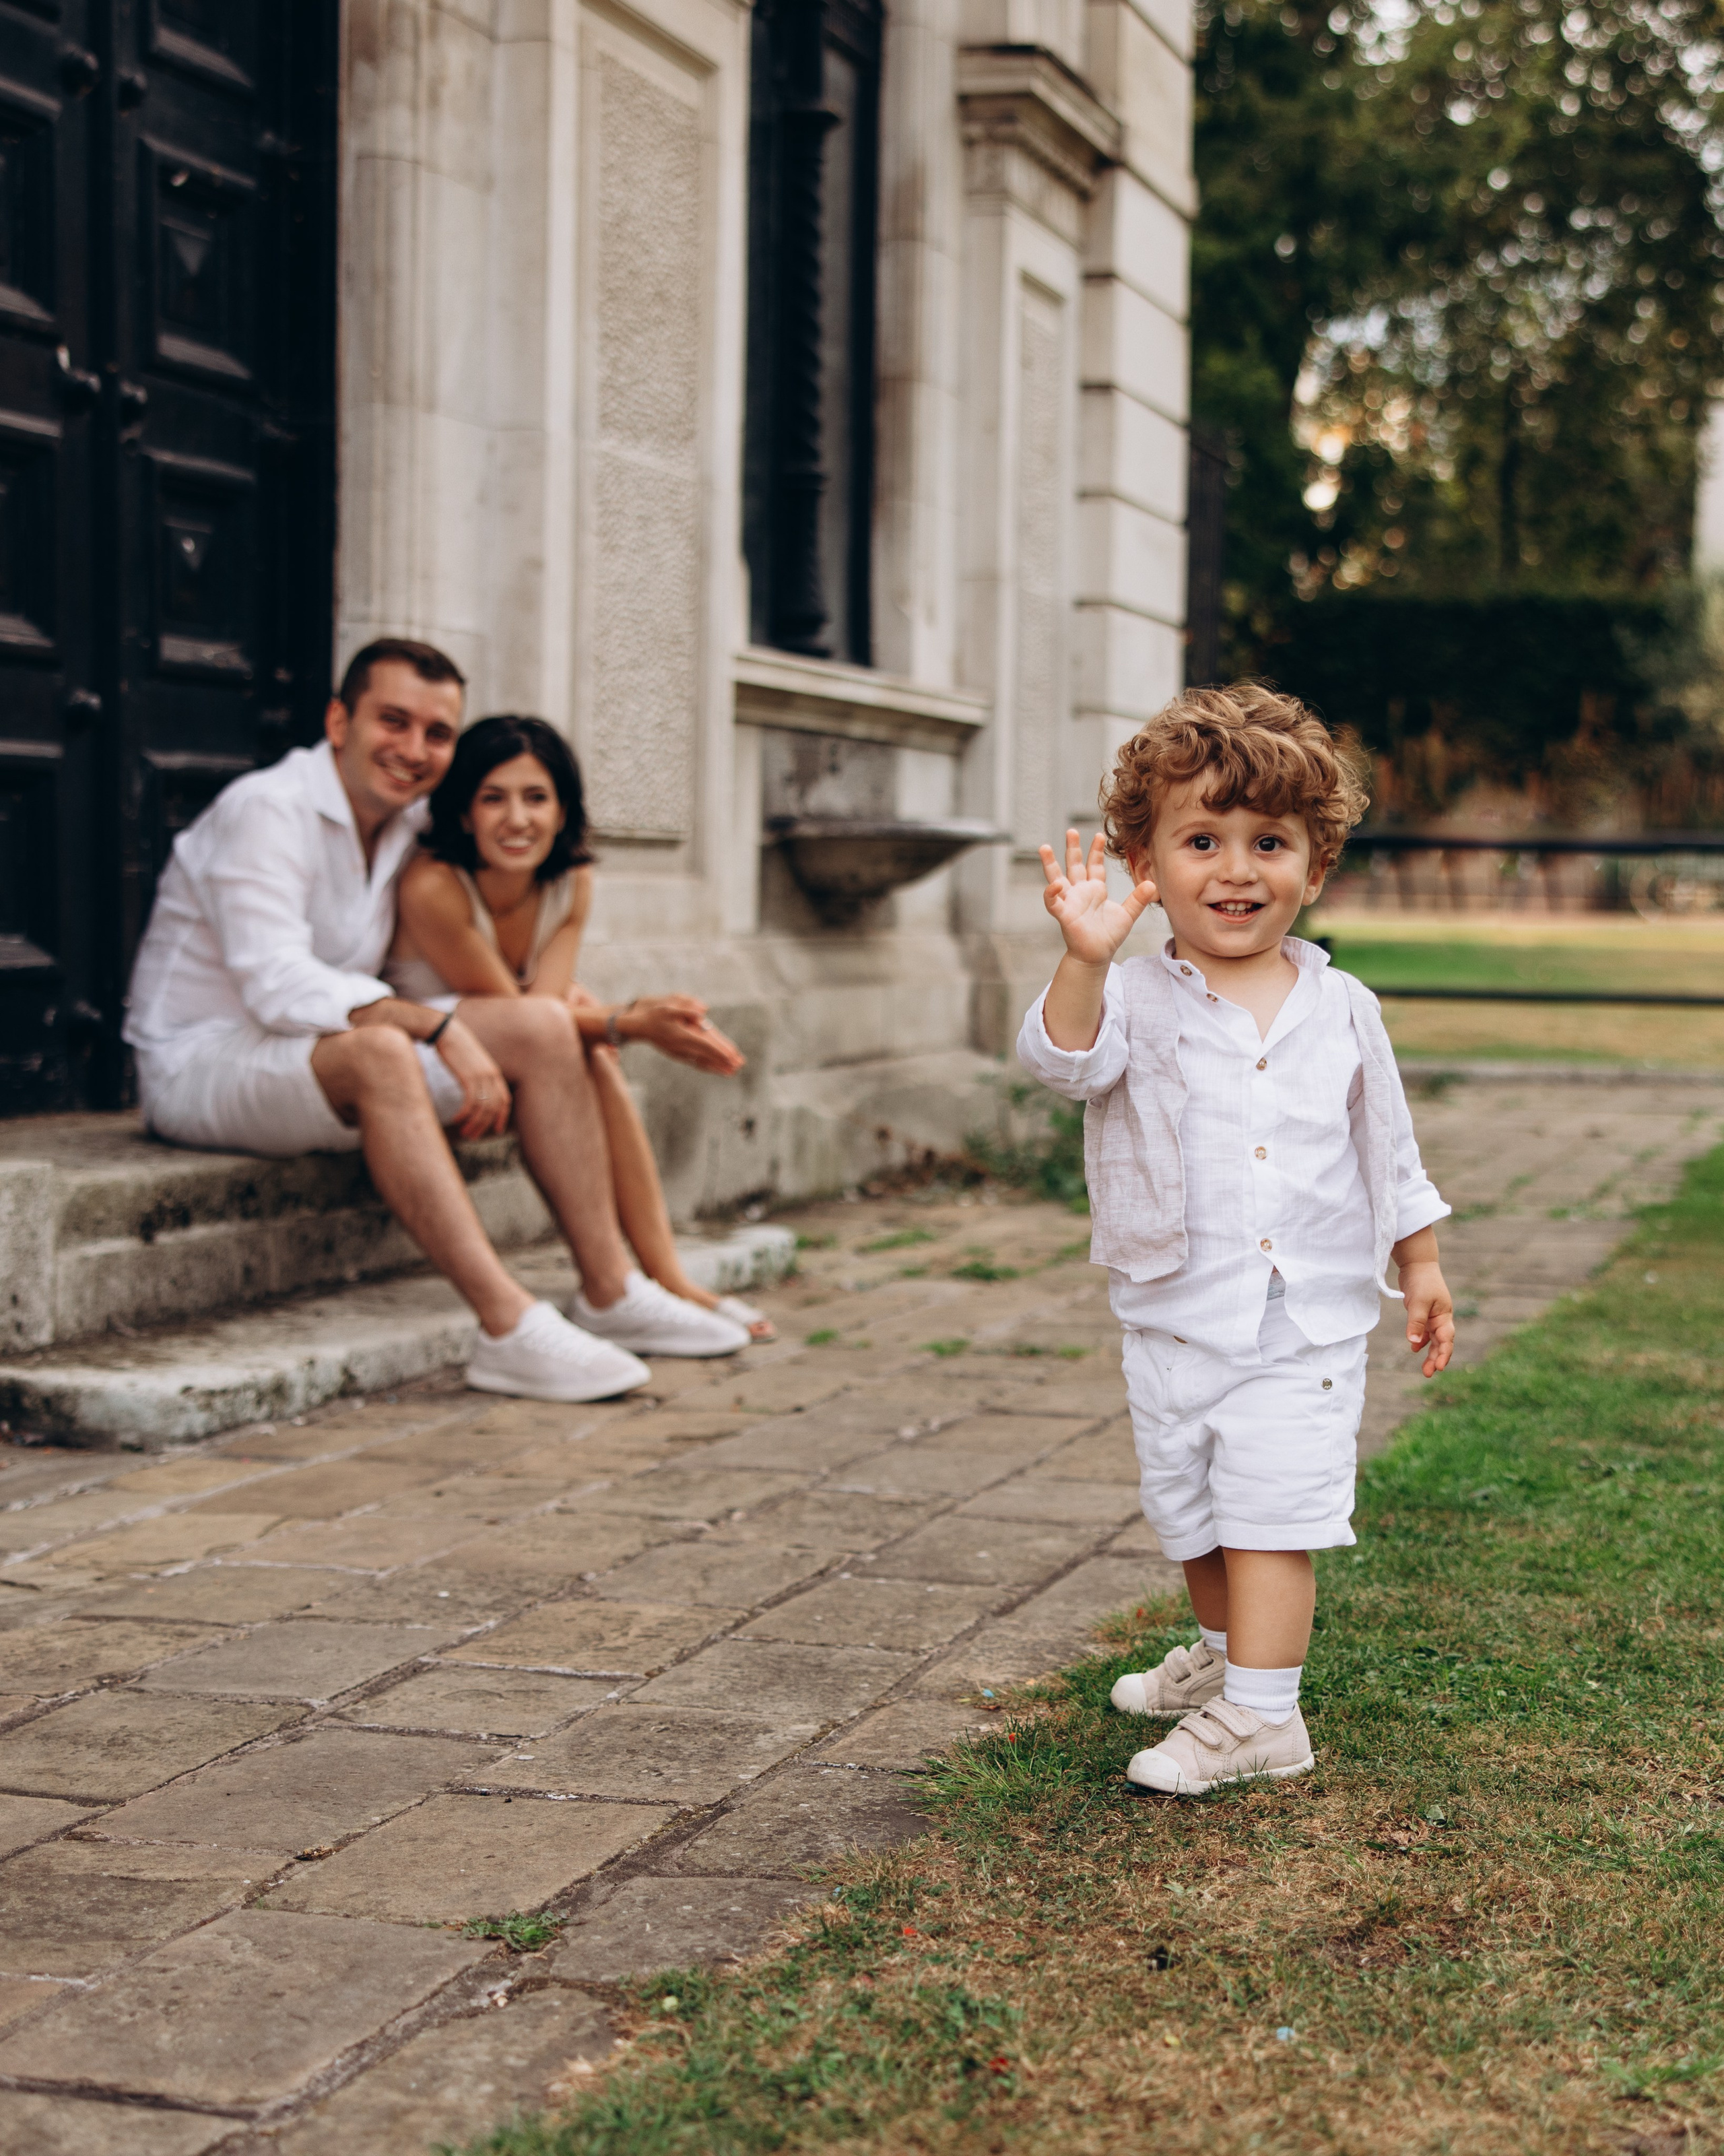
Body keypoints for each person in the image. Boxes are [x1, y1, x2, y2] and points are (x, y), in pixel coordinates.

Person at [1017, 684, 1455, 1797]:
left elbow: (1388, 1149)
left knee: (1267, 1515)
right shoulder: (1131, 997)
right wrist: (1084, 957)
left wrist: (1420, 1262)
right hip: (1174, 1312)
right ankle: (1224, 1660)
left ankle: (1266, 1716)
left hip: (1301, 1323)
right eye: (1202, 840)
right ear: (1145, 862)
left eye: (1270, 842)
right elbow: (1062, 1062)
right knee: (1196, 1513)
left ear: (1317, 866)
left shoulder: (1344, 1008)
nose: (1237, 869)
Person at [124, 638, 749, 1404]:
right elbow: (273, 983)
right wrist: (441, 1029)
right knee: (384, 1051)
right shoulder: (267, 809)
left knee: (543, 1027)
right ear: (339, 722)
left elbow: (513, 880)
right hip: (204, 1063)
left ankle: (611, 1289)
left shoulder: (408, 821)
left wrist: (576, 1005)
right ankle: (507, 1326)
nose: (415, 750)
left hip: (311, 1053)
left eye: (438, 733)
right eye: (394, 721)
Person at [387, 714, 772, 1342]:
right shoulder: (433, 886)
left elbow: (540, 1014)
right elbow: (526, 1016)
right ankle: (623, 1286)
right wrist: (630, 1020)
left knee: (590, 1053)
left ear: (563, 811)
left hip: (514, 1050)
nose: (517, 819)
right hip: (426, 1058)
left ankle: (662, 1279)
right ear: (463, 813)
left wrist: (609, 1022)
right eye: (494, 798)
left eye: (537, 798)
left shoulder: (570, 880)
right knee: (582, 1039)